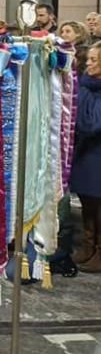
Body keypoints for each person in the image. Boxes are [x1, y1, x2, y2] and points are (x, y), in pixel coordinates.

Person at [71, 42, 101, 273]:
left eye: (94, 60)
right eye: (88, 59)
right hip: (84, 152)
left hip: (97, 153)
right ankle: (88, 244)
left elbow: (92, 124)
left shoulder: (88, 90)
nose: (88, 64)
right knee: (88, 204)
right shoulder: (86, 85)